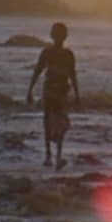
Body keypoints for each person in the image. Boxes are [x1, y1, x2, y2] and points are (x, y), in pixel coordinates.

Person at [25, 22, 80, 169]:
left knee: (51, 120)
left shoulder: (52, 53)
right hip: (57, 90)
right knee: (57, 121)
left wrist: (29, 91)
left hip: (55, 90)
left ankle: (51, 156)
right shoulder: (61, 53)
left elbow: (37, 72)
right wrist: (77, 95)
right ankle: (56, 156)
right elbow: (72, 75)